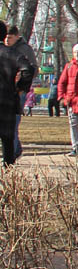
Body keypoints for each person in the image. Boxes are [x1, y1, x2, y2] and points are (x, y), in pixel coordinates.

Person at [0, 21, 35, 165]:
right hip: (7, 99)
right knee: (7, 138)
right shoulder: (11, 53)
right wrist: (20, 88)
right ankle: (8, 171)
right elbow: (29, 69)